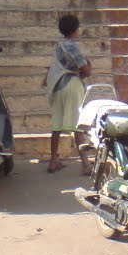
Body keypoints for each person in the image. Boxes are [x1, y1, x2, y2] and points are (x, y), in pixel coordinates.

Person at [44, 14, 92, 174]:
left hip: (58, 86)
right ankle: (85, 164)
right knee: (78, 126)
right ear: (75, 30)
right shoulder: (73, 47)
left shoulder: (58, 47)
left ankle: (53, 161)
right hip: (72, 84)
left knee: (56, 126)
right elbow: (85, 70)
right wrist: (89, 64)